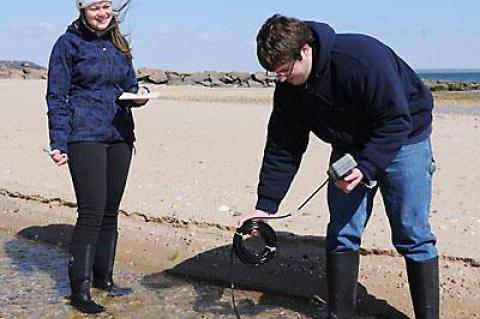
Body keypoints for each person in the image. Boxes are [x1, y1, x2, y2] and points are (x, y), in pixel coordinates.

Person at [237, 14, 439, 319]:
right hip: (348, 145)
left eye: (284, 71)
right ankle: (340, 313)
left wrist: (368, 166)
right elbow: (283, 144)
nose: (281, 79)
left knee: (413, 234)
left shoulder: (360, 60)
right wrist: (265, 206)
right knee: (342, 231)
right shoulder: (290, 87)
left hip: (404, 137)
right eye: (273, 74)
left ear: (304, 50)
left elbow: (396, 119)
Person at [46, 0, 149, 313]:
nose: (103, 13)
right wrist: (58, 141)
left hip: (119, 135)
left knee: (110, 212)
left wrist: (139, 95)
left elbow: (128, 85)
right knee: (91, 211)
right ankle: (80, 293)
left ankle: (105, 279)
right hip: (84, 135)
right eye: (95, 7)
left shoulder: (119, 44)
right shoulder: (67, 44)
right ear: (81, 9)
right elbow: (56, 95)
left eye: (107, 6)